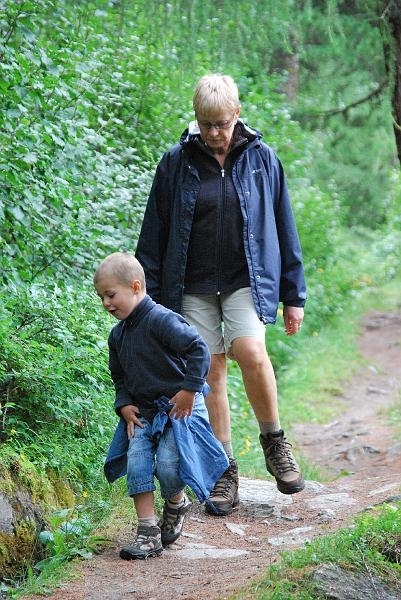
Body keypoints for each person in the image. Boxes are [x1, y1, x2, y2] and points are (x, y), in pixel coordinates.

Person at [135, 73, 307, 517]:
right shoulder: (176, 163)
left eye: (221, 124)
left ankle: (274, 442)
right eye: (205, 123)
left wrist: (294, 294)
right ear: (196, 119)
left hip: (246, 279)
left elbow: (284, 226)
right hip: (190, 286)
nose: (213, 133)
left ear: (237, 115)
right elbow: (153, 235)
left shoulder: (262, 159)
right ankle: (223, 470)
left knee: (250, 351)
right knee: (208, 370)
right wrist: (146, 304)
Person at [94, 251, 229, 559]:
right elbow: (119, 377)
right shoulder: (118, 336)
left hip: (180, 407)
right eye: (102, 297)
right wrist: (124, 404)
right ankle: (147, 533)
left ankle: (176, 502)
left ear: (136, 286)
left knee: (169, 465)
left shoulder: (162, 320)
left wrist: (188, 391)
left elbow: (198, 350)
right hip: (144, 412)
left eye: (111, 294)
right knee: (138, 464)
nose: (106, 303)